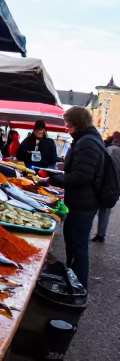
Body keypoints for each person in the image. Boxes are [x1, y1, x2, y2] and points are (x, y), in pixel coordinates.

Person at [43, 106, 105, 287]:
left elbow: (82, 176)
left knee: (78, 247)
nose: (65, 127)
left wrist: (54, 180)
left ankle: (78, 286)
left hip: (83, 203)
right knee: (72, 243)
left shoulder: (88, 142)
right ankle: (71, 279)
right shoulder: (86, 140)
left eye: (68, 123)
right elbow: (80, 170)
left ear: (77, 123)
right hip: (79, 201)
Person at [95, 132, 120, 242]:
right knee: (106, 210)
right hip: (115, 186)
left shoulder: (110, 150)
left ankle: (93, 233)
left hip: (105, 183)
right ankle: (101, 233)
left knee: (94, 207)